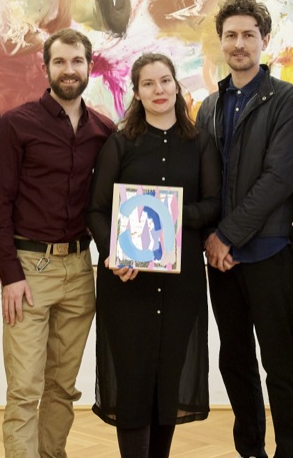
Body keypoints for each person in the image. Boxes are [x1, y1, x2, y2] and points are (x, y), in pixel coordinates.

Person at [0, 28, 116, 458]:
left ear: (89, 67)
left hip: (79, 270)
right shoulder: (16, 125)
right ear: (46, 68)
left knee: (62, 387)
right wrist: (10, 276)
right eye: (59, 62)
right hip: (29, 269)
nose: (69, 70)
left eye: (76, 61)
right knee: (25, 389)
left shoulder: (104, 130)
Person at [86, 53, 221, 458]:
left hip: (181, 284)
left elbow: (213, 205)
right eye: (148, 83)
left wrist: (171, 214)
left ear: (177, 86)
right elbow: (96, 210)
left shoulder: (200, 142)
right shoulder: (120, 143)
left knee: (167, 383)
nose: (158, 90)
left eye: (165, 81)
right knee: (133, 384)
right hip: (127, 283)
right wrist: (114, 253)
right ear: (137, 92)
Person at [195, 0, 293, 458]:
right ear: (221, 42)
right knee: (235, 361)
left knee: (279, 363)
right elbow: (204, 184)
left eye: (248, 35)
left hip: (268, 251)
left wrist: (226, 236)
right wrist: (212, 241)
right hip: (221, 261)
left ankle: (288, 452)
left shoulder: (287, 99)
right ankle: (250, 451)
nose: (239, 44)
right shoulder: (207, 107)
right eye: (230, 35)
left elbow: (278, 179)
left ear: (264, 40)